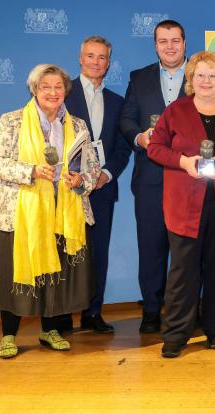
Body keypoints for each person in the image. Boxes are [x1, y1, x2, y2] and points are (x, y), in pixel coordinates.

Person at [0, 64, 99, 358]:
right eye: (45, 87)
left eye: (58, 87)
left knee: (57, 275)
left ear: (65, 91)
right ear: (34, 90)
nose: (52, 92)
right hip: (22, 214)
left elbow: (93, 167)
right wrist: (31, 171)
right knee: (13, 276)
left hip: (64, 212)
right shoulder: (12, 121)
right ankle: (9, 335)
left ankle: (50, 330)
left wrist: (81, 179)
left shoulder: (80, 126)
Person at [147, 51, 215, 358]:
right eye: (200, 75)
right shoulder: (175, 111)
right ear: (190, 79)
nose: (206, 81)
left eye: (213, 75)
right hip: (184, 206)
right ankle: (176, 334)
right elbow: (155, 148)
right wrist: (182, 161)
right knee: (183, 272)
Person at [119, 19, 187, 334]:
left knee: (188, 248)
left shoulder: (202, 74)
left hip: (192, 180)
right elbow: (127, 119)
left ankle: (187, 308)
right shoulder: (139, 78)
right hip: (150, 177)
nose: (170, 46)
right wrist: (139, 139)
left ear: (184, 43)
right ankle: (151, 309)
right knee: (151, 246)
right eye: (163, 41)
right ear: (155, 44)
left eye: (175, 40)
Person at [62, 35, 132, 333]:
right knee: (65, 251)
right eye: (91, 56)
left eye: (102, 57)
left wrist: (106, 174)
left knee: (98, 252)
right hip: (66, 188)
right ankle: (60, 315)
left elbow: (122, 147)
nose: (96, 62)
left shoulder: (118, 102)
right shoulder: (61, 94)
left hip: (102, 189)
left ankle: (93, 312)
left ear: (108, 63)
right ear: (80, 59)